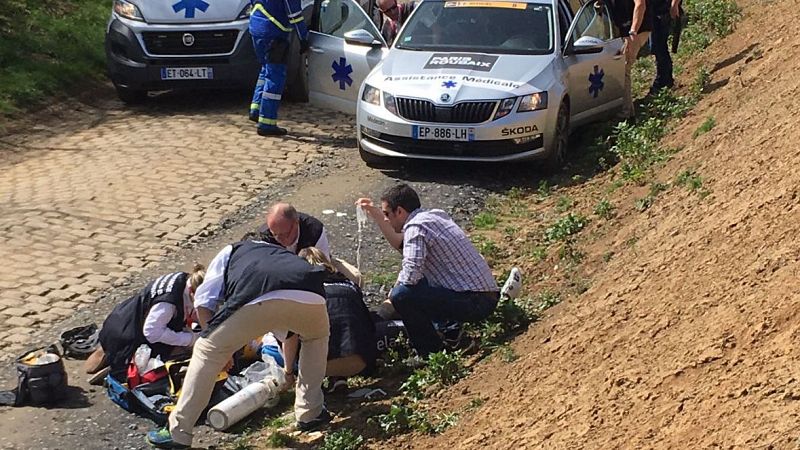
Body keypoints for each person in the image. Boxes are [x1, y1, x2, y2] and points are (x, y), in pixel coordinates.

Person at [146, 240, 331, 448]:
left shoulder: (231, 250)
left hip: (258, 292)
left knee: (206, 351)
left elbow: (203, 302)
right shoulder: (280, 255)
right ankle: (310, 413)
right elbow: (287, 331)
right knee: (315, 339)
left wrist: (221, 349)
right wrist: (288, 371)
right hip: (313, 293)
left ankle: (178, 432)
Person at [356, 184, 499, 358]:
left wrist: (388, 305)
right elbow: (403, 247)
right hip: (484, 294)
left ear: (400, 211)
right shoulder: (433, 216)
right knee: (418, 284)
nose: (386, 219)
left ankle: (431, 352)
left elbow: (410, 274)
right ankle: (450, 332)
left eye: (387, 214)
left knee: (402, 295)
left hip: (476, 302)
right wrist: (376, 214)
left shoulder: (415, 229)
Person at [264, 247, 377, 391]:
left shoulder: (305, 291)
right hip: (361, 360)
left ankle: (312, 384)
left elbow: (290, 336)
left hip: (321, 366)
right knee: (340, 326)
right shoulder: (349, 284)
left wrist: (288, 372)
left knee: (281, 337)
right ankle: (338, 378)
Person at [86, 266, 206, 381]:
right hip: (128, 334)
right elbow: (151, 332)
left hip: (124, 315)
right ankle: (121, 360)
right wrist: (190, 339)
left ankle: (110, 350)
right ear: (193, 293)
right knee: (186, 351)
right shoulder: (168, 304)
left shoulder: (183, 279)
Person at [247, 0, 310, 136]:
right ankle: (266, 123)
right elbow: (295, 14)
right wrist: (303, 37)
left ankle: (256, 109)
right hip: (275, 32)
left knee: (266, 69)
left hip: (256, 27)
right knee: (275, 76)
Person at [604, 0, 653, 118]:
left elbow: (640, 5)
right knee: (622, 69)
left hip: (636, 31)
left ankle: (626, 112)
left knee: (623, 69)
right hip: (625, 32)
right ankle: (627, 110)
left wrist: (633, 31)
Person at [252, 202, 331, 259]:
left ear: (296, 223)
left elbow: (323, 264)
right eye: (275, 235)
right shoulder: (265, 236)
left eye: (284, 234)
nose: (279, 240)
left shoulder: (314, 230)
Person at [649, 0, 681, 94]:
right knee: (657, 47)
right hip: (655, 13)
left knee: (659, 47)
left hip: (663, 12)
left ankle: (664, 82)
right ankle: (664, 80)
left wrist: (674, 5)